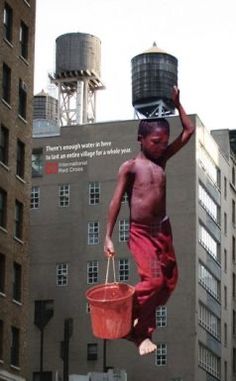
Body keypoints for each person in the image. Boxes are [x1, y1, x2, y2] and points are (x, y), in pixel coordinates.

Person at [104, 86, 195, 356]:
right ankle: (135, 326)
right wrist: (108, 236)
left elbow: (188, 131)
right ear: (140, 139)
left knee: (169, 283)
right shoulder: (130, 167)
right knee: (154, 282)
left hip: (163, 230)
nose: (161, 146)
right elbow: (115, 201)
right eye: (155, 141)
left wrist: (179, 104)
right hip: (142, 232)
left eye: (164, 141)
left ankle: (136, 325)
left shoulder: (162, 160)